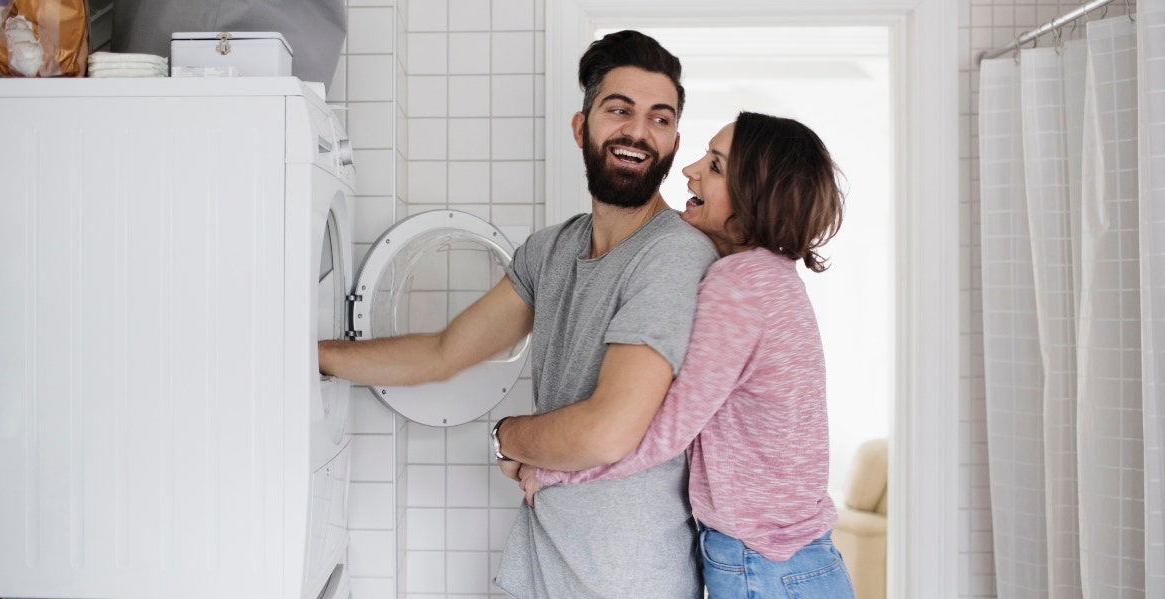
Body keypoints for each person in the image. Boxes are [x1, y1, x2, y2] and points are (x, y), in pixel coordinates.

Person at [319, 30, 718, 598]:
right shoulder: (549, 251)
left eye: (660, 118)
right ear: (581, 128)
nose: (638, 132)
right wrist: (314, 357)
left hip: (627, 580)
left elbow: (608, 432)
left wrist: (508, 436)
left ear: (675, 143)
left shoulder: (674, 255)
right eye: (619, 110)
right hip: (536, 567)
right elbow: (443, 352)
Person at [512, 112, 856, 598]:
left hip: (762, 568)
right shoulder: (772, 278)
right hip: (794, 563)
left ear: (754, 198)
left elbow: (668, 431)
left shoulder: (738, 288)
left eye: (714, 166)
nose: (689, 169)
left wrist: (554, 469)